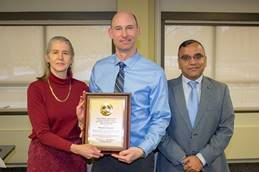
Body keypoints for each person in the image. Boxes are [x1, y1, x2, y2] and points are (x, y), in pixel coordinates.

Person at [86, 11, 171, 172]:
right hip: (103, 157)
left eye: (129, 28)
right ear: (110, 33)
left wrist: (142, 149)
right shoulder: (99, 68)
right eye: (118, 28)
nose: (124, 34)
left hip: (138, 157)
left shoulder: (155, 72)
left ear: (138, 31)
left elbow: (161, 117)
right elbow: (93, 112)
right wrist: (84, 118)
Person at [156, 39, 235, 172]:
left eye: (198, 56)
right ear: (179, 63)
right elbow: (157, 128)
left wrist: (201, 158)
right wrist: (182, 158)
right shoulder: (164, 89)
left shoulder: (221, 90)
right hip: (172, 165)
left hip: (211, 164)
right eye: (186, 58)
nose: (192, 62)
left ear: (205, 59)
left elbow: (226, 129)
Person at [27, 36, 103, 172]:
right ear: (47, 57)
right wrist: (76, 148)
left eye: (65, 53)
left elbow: (88, 128)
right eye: (55, 52)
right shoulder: (36, 88)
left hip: (74, 161)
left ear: (71, 59)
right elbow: (42, 133)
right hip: (45, 159)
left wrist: (81, 122)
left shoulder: (82, 89)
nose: (60, 57)